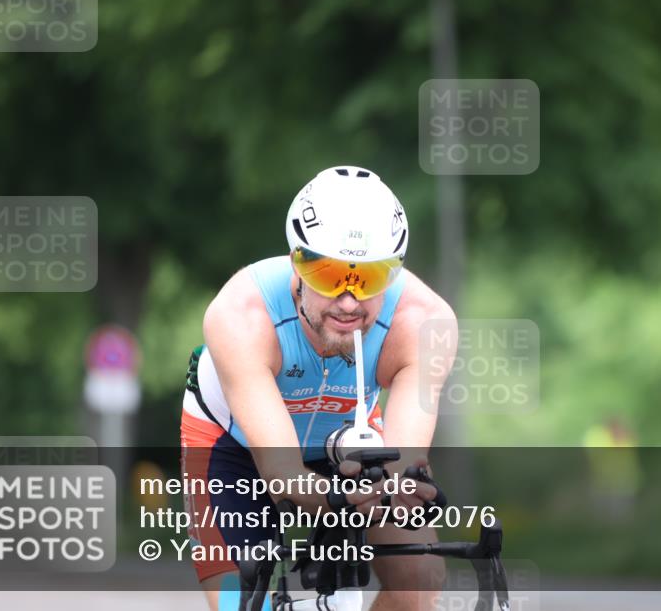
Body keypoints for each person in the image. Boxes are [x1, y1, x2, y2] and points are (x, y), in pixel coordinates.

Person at [180, 166, 458, 611]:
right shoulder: (240, 314)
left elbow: (403, 465)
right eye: (330, 276)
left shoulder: (423, 322)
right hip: (235, 445)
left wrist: (405, 490)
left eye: (368, 278)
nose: (348, 301)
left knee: (421, 580)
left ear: (394, 272)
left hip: (347, 443)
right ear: (297, 264)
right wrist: (341, 499)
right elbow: (280, 475)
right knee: (241, 599)